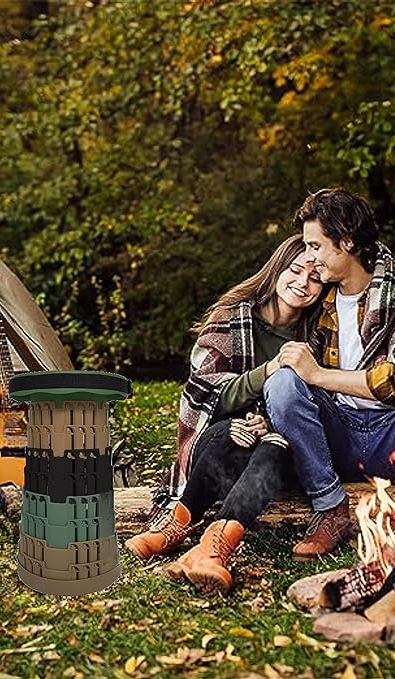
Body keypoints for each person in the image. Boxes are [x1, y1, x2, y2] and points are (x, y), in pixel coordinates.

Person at [263, 188, 395, 560]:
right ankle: (330, 509)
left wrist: (320, 375)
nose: (308, 258)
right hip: (336, 436)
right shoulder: (316, 300)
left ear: (347, 242)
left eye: (315, 246)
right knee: (281, 385)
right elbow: (268, 331)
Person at [125, 235, 325, 593]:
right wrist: (268, 373)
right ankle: (176, 524)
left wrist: (267, 419)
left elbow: (312, 402)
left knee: (276, 445)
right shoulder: (232, 317)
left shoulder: (318, 335)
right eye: (295, 271)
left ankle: (213, 549)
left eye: (315, 279)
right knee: (229, 432)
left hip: (277, 446)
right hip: (219, 436)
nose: (302, 283)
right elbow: (207, 390)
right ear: (276, 269)